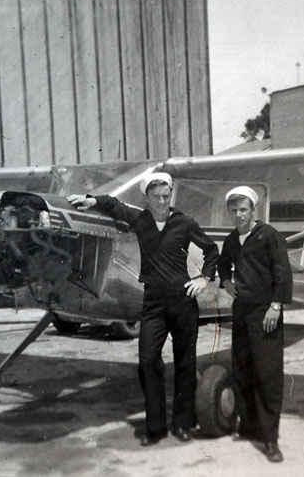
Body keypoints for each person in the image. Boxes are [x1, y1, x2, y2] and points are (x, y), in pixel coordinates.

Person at [67, 172, 218, 446]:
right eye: (156, 196)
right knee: (148, 361)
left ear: (170, 195)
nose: (162, 201)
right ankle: (156, 427)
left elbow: (211, 250)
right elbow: (113, 204)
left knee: (185, 364)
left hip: (183, 301)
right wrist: (90, 201)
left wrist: (204, 278)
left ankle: (183, 424)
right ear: (147, 197)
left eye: (166, 195)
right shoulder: (140, 220)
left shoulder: (184, 222)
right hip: (153, 303)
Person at [217, 186, 292, 463]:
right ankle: (249, 426)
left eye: (243, 210)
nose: (239, 215)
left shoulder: (268, 235)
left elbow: (282, 273)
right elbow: (223, 265)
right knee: (243, 369)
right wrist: (226, 281)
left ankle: (270, 439)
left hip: (265, 311)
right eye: (234, 211)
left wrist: (276, 306)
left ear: (253, 210)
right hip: (242, 312)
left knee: (268, 374)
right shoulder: (232, 240)